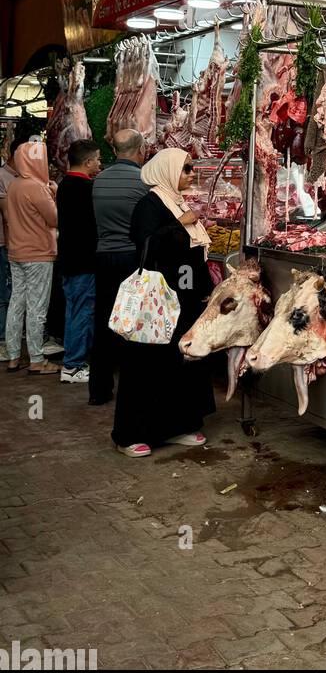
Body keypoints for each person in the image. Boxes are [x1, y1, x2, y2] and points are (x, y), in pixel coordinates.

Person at [111, 148, 215, 457]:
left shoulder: (175, 200)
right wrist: (181, 223)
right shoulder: (150, 205)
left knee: (179, 362)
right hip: (157, 300)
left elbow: (191, 254)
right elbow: (146, 244)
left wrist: (203, 288)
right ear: (168, 171)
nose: (192, 173)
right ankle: (129, 434)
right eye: (186, 169)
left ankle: (175, 426)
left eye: (191, 168)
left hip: (183, 297)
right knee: (147, 364)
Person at [90, 129, 149, 404]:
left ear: (114, 151)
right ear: (141, 150)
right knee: (132, 324)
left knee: (103, 321)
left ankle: (99, 391)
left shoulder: (99, 180)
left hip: (103, 257)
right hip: (131, 258)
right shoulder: (143, 181)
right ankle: (133, 389)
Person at [4, 139, 59, 374]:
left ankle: (14, 356)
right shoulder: (37, 187)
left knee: (16, 303)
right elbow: (55, 219)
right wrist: (54, 194)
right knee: (37, 307)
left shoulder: (14, 185)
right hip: (38, 254)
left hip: (16, 252)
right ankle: (36, 359)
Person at [56, 139, 102, 385]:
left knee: (74, 310)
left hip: (68, 259)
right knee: (81, 312)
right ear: (87, 162)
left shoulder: (64, 185)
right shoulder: (86, 188)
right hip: (83, 261)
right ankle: (73, 366)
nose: (99, 162)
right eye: (97, 159)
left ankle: (75, 360)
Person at [0, 152, 19, 361]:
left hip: (14, 245)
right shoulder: (3, 177)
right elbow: (8, 216)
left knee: (13, 295)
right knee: (6, 296)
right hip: (7, 243)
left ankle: (10, 346)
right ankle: (5, 341)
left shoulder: (17, 180)